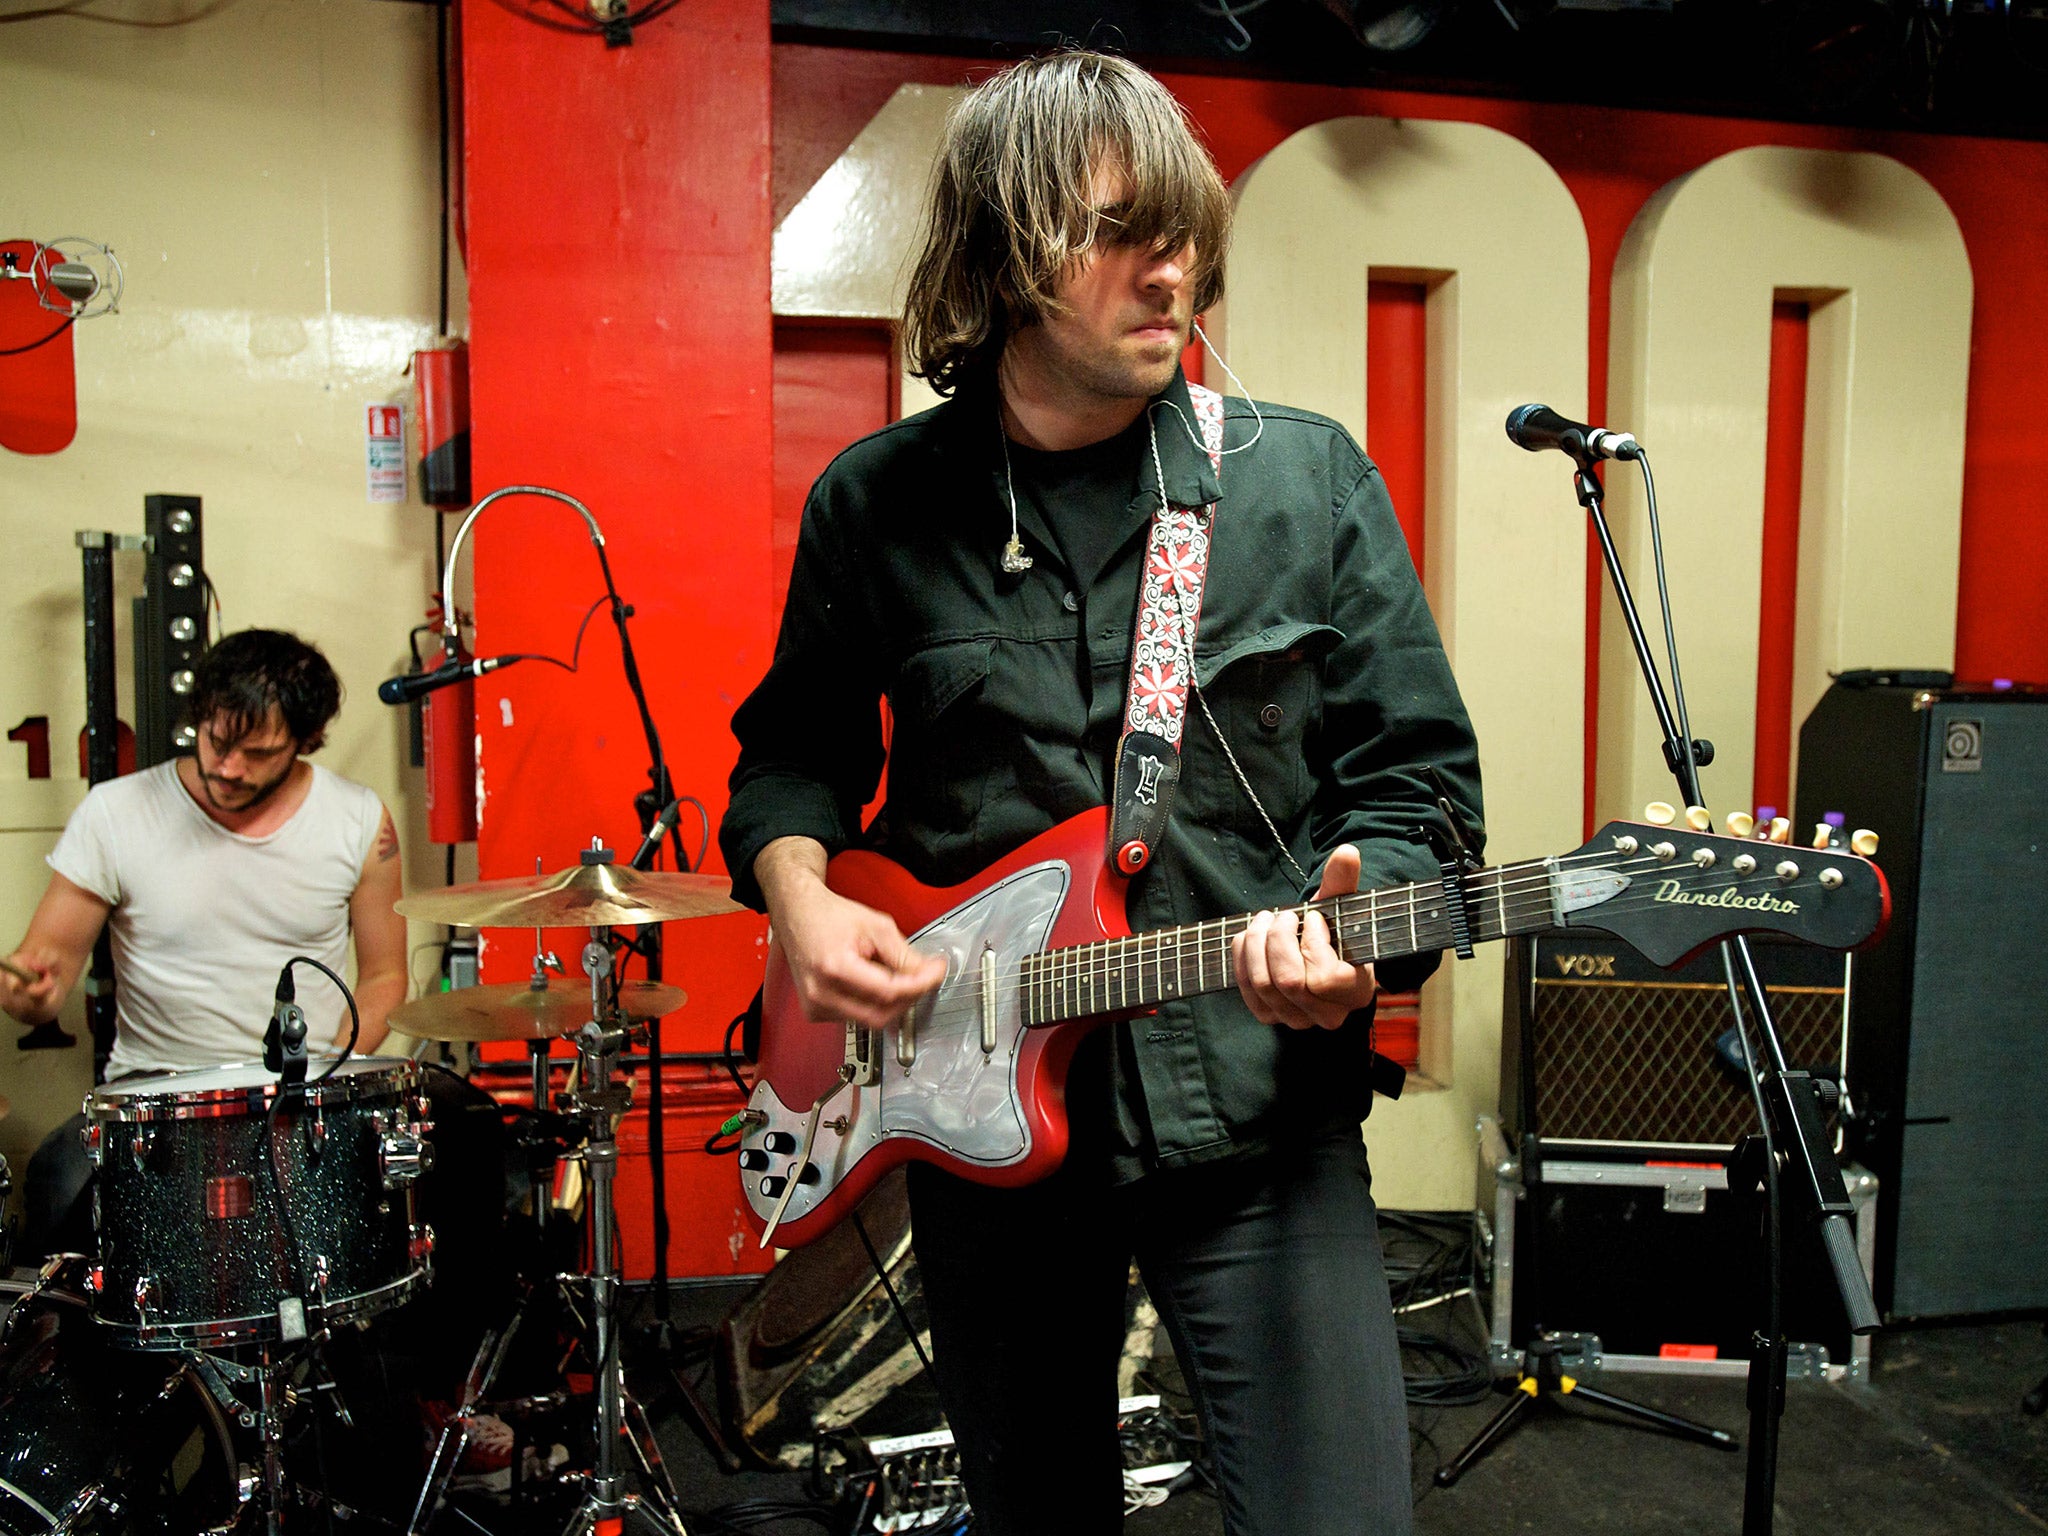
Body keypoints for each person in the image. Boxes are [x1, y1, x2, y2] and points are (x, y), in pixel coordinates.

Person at [721, 50, 1483, 1536]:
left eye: (1187, 229)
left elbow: (1422, 791)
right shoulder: (875, 506)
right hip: (983, 1124)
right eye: (1123, 232)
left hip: (1255, 1119)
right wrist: (803, 901)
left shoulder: (1299, 482)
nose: (1174, 269)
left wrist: (1360, 920)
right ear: (1007, 256)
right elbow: (793, 756)